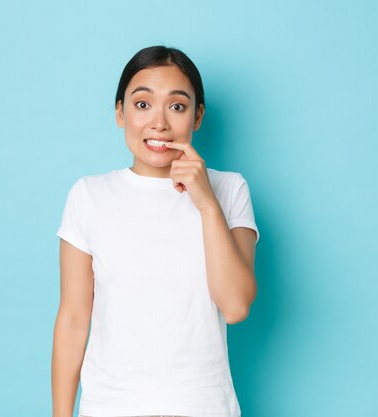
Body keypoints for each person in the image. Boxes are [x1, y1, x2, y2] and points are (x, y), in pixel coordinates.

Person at [51, 45, 260, 417]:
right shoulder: (89, 195)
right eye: (142, 104)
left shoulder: (229, 190)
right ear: (120, 112)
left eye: (177, 106)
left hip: (203, 407)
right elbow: (72, 318)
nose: (159, 123)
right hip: (110, 408)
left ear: (197, 117)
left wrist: (206, 203)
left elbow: (236, 306)